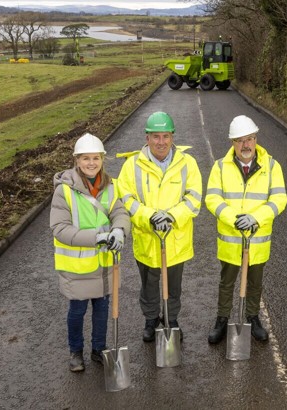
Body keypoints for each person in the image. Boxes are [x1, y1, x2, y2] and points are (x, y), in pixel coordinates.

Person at [116, 111, 202, 342]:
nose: (161, 142)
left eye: (165, 136)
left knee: (174, 286)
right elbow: (126, 198)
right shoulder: (132, 165)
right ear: (147, 138)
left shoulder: (188, 163)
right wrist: (150, 216)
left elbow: (194, 198)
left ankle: (171, 319)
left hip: (176, 238)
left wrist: (171, 217)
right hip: (147, 237)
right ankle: (151, 318)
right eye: (156, 137)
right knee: (149, 285)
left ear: (173, 137)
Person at [49, 132, 130, 372]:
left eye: (96, 158)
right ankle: (75, 351)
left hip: (105, 263)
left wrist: (119, 231)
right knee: (77, 311)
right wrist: (98, 238)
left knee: (102, 308)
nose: (91, 163)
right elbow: (60, 229)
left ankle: (99, 348)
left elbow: (120, 213)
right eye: (86, 159)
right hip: (77, 267)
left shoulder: (110, 186)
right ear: (76, 160)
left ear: (102, 159)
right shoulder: (64, 191)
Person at [205, 115, 287, 344]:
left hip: (258, 238)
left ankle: (252, 317)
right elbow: (212, 198)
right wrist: (235, 219)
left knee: (255, 282)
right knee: (227, 282)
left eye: (249, 139)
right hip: (231, 238)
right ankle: (222, 319)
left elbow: (280, 198)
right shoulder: (220, 167)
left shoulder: (272, 166)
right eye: (240, 140)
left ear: (256, 139)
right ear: (233, 143)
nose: (246, 145)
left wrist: (256, 218)